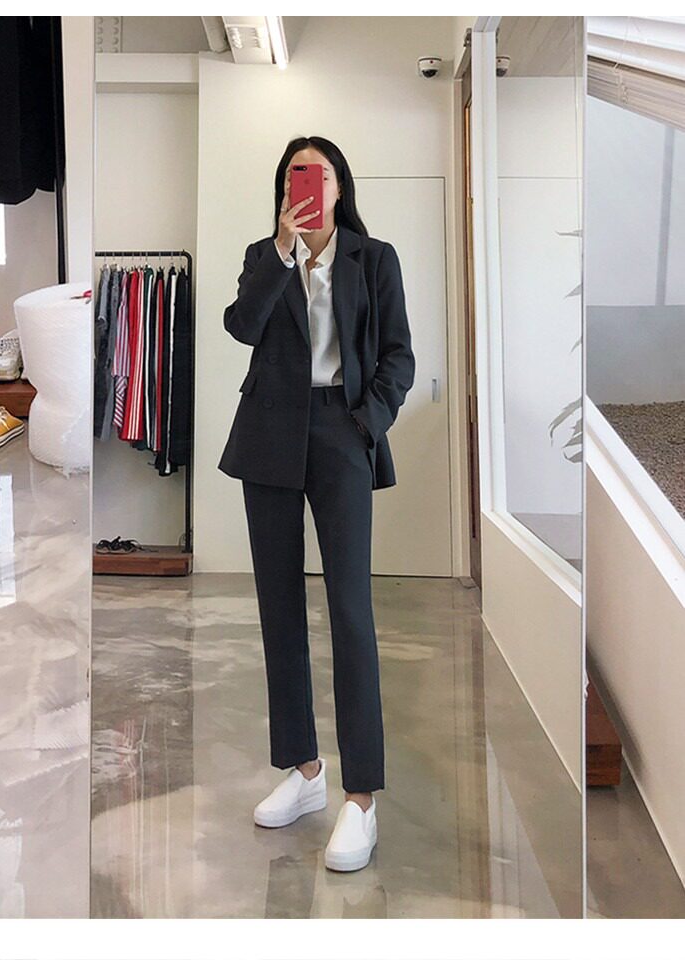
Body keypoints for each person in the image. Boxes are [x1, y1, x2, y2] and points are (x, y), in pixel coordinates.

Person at [218, 135, 415, 871]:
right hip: (269, 433)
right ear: (285, 191)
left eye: (320, 173)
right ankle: (304, 771)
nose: (308, 183)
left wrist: (366, 424)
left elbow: (399, 355)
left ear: (338, 187)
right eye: (295, 175)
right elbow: (242, 326)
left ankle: (361, 797)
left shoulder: (375, 259)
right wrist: (282, 252)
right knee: (278, 606)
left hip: (342, 432)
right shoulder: (263, 256)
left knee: (351, 611)